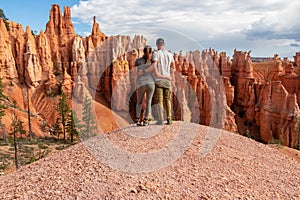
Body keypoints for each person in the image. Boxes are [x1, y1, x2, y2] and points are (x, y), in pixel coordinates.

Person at [140, 38, 175, 125]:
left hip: (159, 80)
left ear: (157, 45)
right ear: (164, 44)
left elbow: (154, 66)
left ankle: (160, 120)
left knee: (159, 100)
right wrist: (169, 76)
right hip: (167, 80)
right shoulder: (170, 54)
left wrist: (144, 71)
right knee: (167, 99)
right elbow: (173, 67)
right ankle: (169, 118)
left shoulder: (156, 54)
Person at [135, 45, 171, 126]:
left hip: (141, 83)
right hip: (151, 84)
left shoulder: (138, 61)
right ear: (151, 52)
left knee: (139, 102)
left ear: (143, 52)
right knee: (149, 102)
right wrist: (167, 77)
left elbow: (136, 73)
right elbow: (157, 74)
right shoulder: (153, 62)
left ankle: (137, 120)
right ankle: (146, 120)